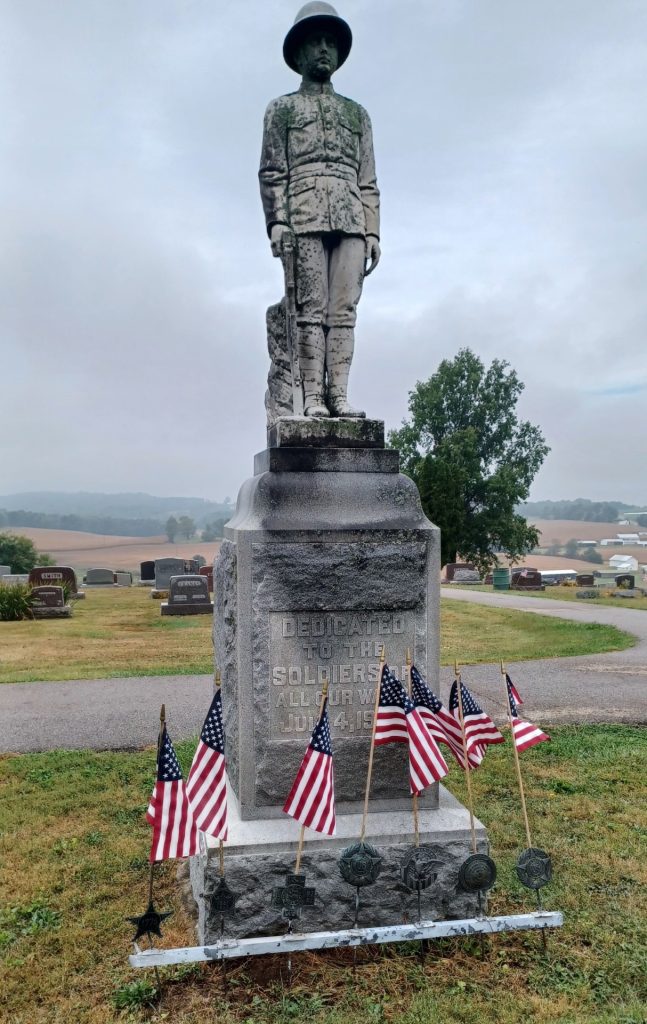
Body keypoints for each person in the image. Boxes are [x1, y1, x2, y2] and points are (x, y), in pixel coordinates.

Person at [259, 2, 380, 418]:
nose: (324, 49)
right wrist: (277, 222)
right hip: (305, 216)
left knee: (343, 312)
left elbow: (368, 180)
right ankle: (312, 397)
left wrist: (374, 232)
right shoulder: (282, 110)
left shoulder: (357, 114)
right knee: (309, 311)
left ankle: (339, 396)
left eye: (330, 42)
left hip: (350, 219)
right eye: (316, 42)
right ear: (299, 54)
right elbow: (272, 172)